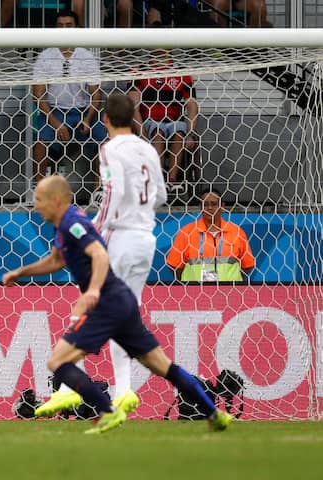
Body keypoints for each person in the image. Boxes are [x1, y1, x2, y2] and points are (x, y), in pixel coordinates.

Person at [2, 176, 232, 433]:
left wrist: (94, 290)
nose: (35, 206)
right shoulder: (63, 225)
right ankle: (214, 413)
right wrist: (21, 272)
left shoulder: (73, 223)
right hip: (121, 301)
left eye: (39, 200)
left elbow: (99, 254)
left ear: (56, 200)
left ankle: (108, 411)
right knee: (161, 365)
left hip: (107, 303)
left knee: (58, 362)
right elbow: (56, 261)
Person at [35, 94, 167, 418]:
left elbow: (113, 192)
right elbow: (161, 194)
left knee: (88, 305)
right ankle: (123, 391)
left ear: (104, 118)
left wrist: (95, 225)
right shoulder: (148, 148)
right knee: (126, 315)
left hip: (120, 238)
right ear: (134, 117)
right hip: (146, 240)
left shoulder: (110, 149)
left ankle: (67, 390)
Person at [32, 10, 106, 191]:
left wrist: (88, 119)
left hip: (83, 111)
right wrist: (56, 122)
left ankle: (99, 190)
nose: (64, 29)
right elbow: (38, 95)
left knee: (106, 142)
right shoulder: (46, 56)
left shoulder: (86, 56)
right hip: (55, 111)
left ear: (77, 28)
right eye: (60, 25)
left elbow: (97, 95)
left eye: (69, 25)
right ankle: (39, 190)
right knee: (41, 142)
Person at [129, 48, 199, 188]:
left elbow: (192, 105)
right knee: (158, 132)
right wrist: (142, 133)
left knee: (179, 132)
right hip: (148, 121)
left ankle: (172, 181)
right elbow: (133, 105)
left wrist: (190, 133)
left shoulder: (181, 72)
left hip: (174, 120)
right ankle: (158, 179)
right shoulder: (139, 71)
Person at [166, 188, 255, 282]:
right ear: (200, 207)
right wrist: (189, 284)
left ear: (222, 206)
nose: (209, 208)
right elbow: (175, 266)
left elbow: (247, 265)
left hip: (229, 292)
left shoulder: (236, 232)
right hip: (194, 293)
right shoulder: (187, 232)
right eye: (205, 204)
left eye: (214, 204)